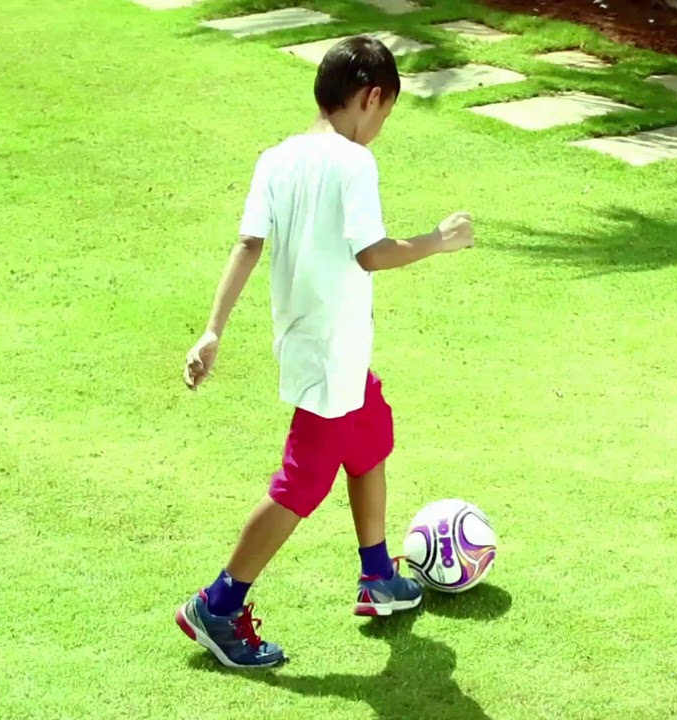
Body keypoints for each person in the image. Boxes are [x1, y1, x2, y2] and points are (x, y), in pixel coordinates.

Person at [174, 34, 475, 669]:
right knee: (301, 483)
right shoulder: (353, 163)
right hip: (331, 356)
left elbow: (248, 245)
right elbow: (372, 254)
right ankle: (217, 606)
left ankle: (378, 575)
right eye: (385, 113)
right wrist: (438, 240)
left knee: (371, 434)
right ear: (371, 97)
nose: (381, 127)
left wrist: (212, 330)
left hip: (314, 346)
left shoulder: (275, 159)